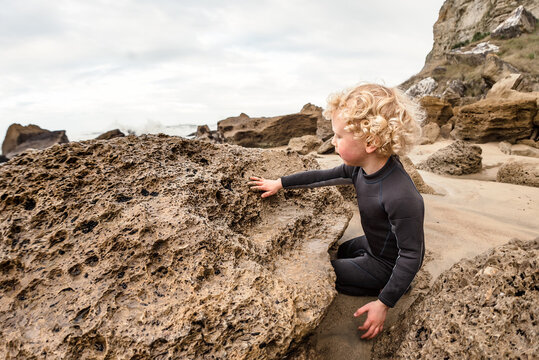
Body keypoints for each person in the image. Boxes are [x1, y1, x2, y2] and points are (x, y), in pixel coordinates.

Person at [248, 83, 425, 340]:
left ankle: (395, 287)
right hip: (375, 246)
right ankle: (379, 278)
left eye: (339, 136)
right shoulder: (360, 168)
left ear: (371, 142)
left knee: (326, 273)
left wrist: (384, 303)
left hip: (389, 264)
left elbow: (412, 254)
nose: (332, 142)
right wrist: (280, 183)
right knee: (342, 250)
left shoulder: (401, 195)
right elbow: (321, 176)